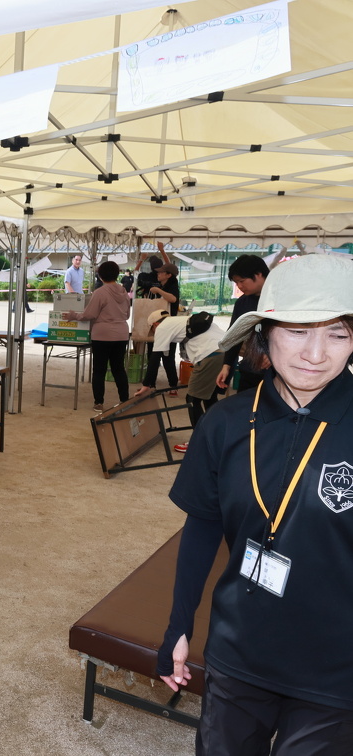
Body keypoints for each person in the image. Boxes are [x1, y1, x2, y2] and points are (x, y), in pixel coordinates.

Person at [157, 254, 353, 755]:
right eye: (297, 331)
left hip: (337, 667)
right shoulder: (225, 423)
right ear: (264, 335)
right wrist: (179, 625)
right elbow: (203, 528)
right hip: (239, 649)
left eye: (337, 334)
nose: (315, 354)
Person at [136, 310, 225, 452]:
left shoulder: (162, 327)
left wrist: (146, 385)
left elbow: (155, 358)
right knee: (209, 397)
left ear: (155, 324)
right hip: (224, 352)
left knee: (192, 399)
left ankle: (198, 443)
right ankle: (218, 437)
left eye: (152, 329)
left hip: (209, 355)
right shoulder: (181, 320)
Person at [63, 260, 131, 412]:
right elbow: (127, 315)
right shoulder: (124, 292)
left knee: (99, 369)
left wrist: (74, 316)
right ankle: (124, 400)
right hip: (121, 334)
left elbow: (90, 314)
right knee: (119, 368)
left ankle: (99, 402)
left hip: (102, 334)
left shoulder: (100, 292)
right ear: (117, 274)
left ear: (100, 276)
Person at [216, 253, 270, 394]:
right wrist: (227, 365)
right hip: (250, 370)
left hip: (277, 374)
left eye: (242, 281)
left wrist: (274, 354)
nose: (239, 286)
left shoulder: (280, 299)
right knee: (245, 406)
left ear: (258, 274)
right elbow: (235, 334)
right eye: (236, 283)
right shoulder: (242, 302)